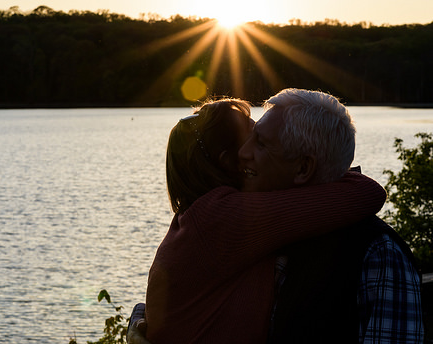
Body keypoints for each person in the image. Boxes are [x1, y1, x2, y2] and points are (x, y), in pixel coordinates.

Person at [127, 89, 423, 344]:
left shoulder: (375, 253)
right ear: (223, 161)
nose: (245, 153)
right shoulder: (222, 219)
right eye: (248, 138)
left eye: (260, 142)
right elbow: (368, 191)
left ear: (303, 168)